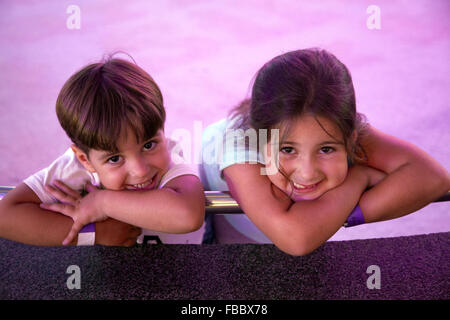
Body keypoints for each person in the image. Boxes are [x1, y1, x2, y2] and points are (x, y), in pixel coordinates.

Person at [201, 48, 449, 255]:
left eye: (327, 149)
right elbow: (296, 240)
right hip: (240, 237)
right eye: (287, 149)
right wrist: (356, 180)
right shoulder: (238, 146)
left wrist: (334, 214)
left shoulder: (336, 125)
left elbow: (432, 177)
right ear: (260, 139)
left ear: (351, 137)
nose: (307, 174)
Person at [0, 56, 205, 246]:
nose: (140, 170)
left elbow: (187, 215)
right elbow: (5, 215)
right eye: (115, 158)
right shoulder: (75, 169)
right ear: (84, 159)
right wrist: (96, 233)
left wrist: (102, 203)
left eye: (149, 145)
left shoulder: (170, 161)